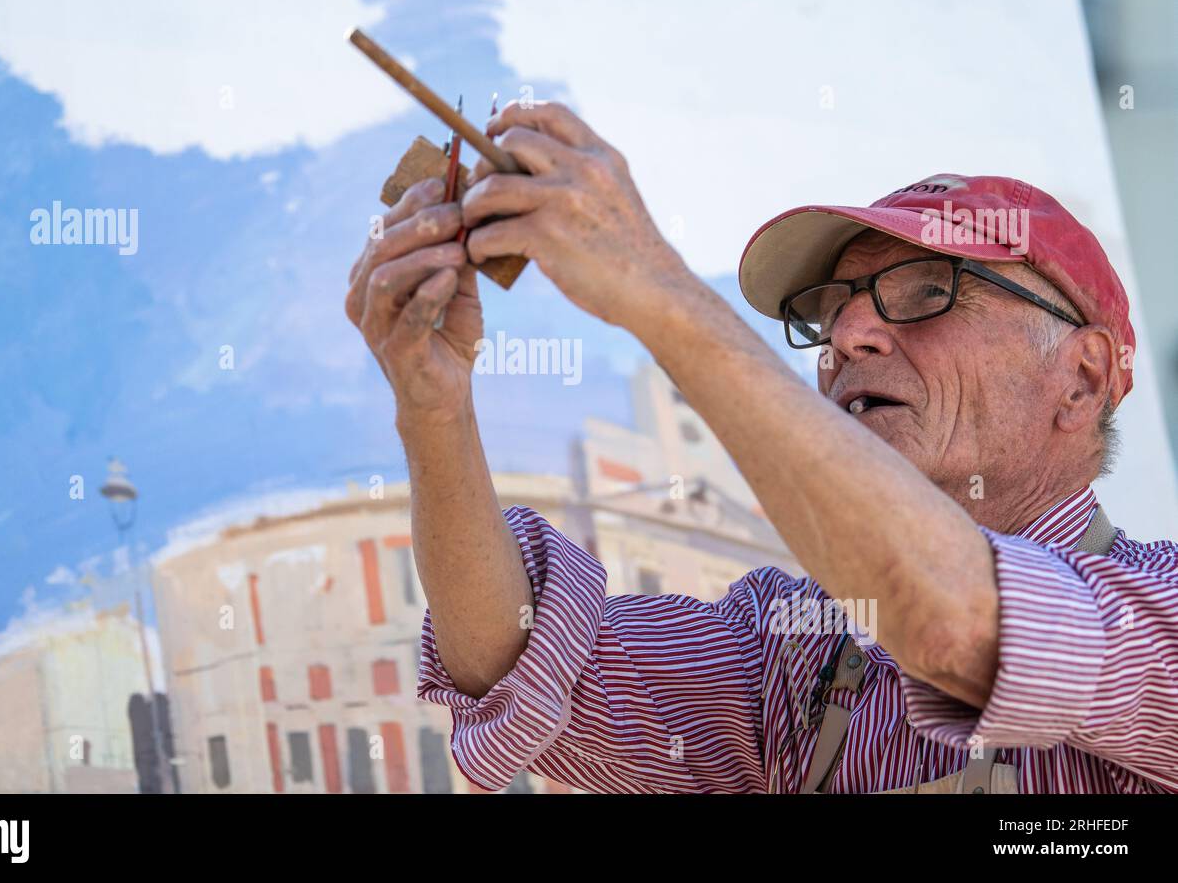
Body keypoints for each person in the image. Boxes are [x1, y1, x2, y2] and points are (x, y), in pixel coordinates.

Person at [345, 101, 1177, 793]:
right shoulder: (803, 651)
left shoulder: (1162, 615)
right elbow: (516, 665)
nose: (849, 333)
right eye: (832, 307)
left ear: (1083, 376)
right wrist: (433, 405)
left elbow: (954, 622)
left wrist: (653, 290)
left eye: (929, 290)